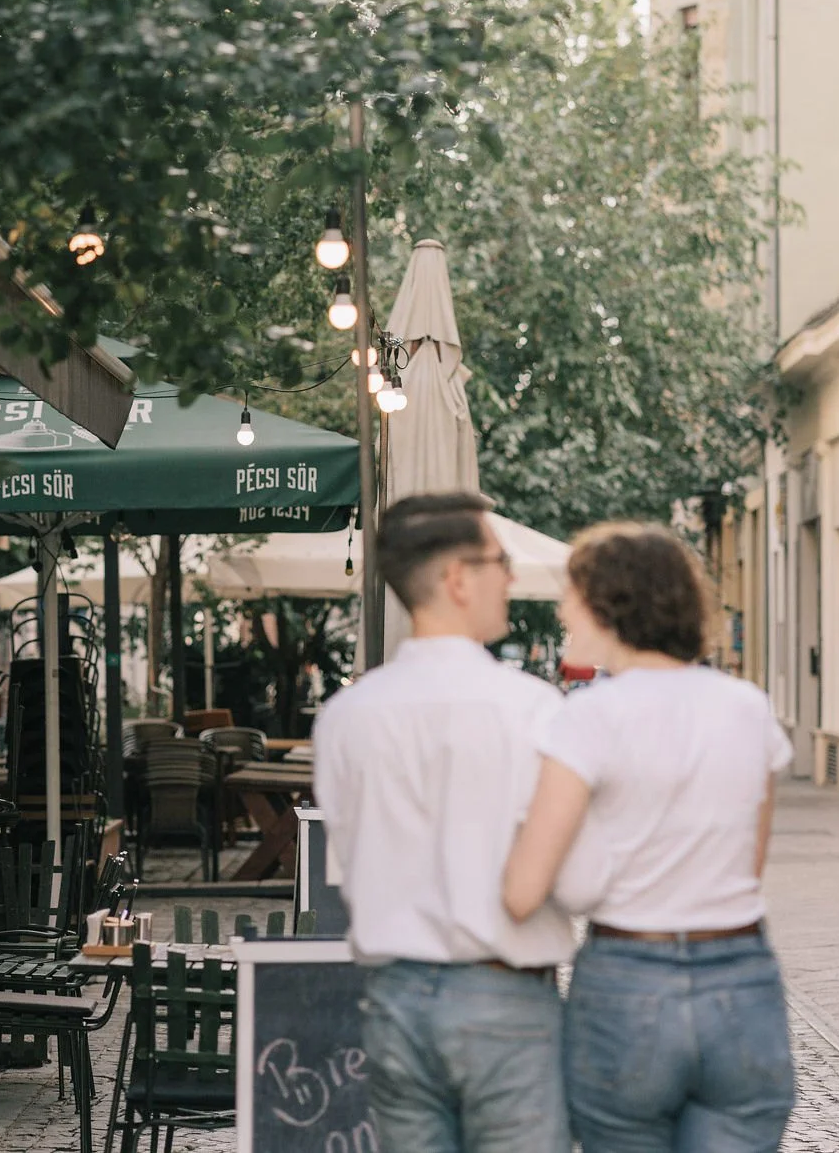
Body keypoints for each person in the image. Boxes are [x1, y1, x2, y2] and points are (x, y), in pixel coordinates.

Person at [315, 491, 599, 1153]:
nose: (510, 576)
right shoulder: (533, 710)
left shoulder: (346, 718)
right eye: (499, 560)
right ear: (457, 577)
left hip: (396, 998)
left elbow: (348, 860)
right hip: (507, 1000)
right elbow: (579, 877)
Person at [504, 521, 795, 1153]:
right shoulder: (748, 709)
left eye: (571, 595)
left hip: (627, 982)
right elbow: (750, 861)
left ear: (610, 605)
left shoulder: (586, 717)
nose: (562, 610)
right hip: (741, 976)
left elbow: (526, 890)